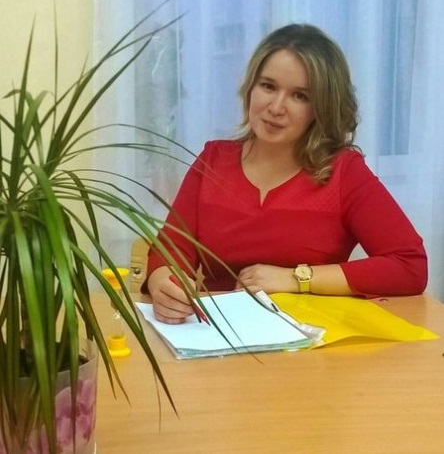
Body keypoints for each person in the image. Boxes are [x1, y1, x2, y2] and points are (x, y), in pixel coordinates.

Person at [142, 23, 427, 324]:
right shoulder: (213, 160)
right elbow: (170, 252)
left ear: (321, 107)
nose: (276, 107)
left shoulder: (344, 171)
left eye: (300, 96)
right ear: (250, 87)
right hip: (219, 337)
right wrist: (165, 285)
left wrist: (296, 278)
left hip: (312, 338)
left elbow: (409, 266)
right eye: (268, 86)